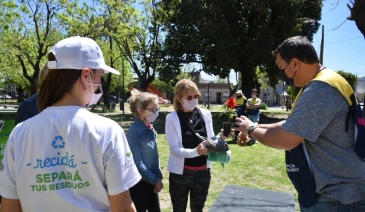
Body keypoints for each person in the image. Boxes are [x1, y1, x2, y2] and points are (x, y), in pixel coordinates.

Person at [0, 36, 141, 212]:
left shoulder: (20, 133)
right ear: (86, 75)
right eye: (100, 76)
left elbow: (9, 207)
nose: (99, 85)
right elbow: (122, 207)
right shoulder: (107, 131)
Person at [235, 36, 365, 212]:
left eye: (282, 68)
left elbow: (288, 139)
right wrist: (253, 126)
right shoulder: (327, 81)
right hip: (339, 193)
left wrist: (251, 130)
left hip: (337, 197)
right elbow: (292, 124)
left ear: (295, 63)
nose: (282, 75)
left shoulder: (320, 90)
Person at [165, 79, 230, 212]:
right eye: (189, 97)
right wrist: (196, 151)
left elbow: (210, 140)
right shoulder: (172, 118)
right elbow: (174, 149)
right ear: (179, 98)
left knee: (198, 208)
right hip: (180, 174)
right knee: (178, 209)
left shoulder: (205, 114)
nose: (194, 100)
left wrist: (221, 137)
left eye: (196, 96)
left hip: (202, 173)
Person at [126, 90, 163, 212]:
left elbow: (155, 156)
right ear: (141, 111)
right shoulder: (134, 131)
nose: (156, 113)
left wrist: (158, 177)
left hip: (152, 181)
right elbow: (137, 162)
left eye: (157, 109)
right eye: (153, 110)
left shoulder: (150, 128)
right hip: (140, 183)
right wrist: (155, 179)